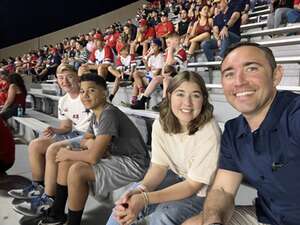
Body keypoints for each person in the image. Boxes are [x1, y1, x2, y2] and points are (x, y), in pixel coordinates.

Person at [183, 42, 300, 225]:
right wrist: (214, 221)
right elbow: (223, 190)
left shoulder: (294, 114)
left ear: (276, 75)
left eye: (252, 68)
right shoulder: (233, 129)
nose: (239, 81)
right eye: (229, 74)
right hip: (268, 216)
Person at [107, 71, 221, 225]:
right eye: (180, 94)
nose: (187, 103)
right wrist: (141, 190)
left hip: (204, 188)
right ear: (169, 95)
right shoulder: (161, 123)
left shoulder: (209, 131)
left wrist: (145, 199)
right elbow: (159, 167)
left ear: (203, 100)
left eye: (195, 95)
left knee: (162, 217)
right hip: (177, 175)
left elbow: (193, 185)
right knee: (125, 202)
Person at [37, 73, 150, 225]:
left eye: (91, 90)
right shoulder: (96, 113)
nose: (85, 95)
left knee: (77, 170)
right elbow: (85, 140)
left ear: (104, 92)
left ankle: (73, 222)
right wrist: (90, 144)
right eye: (82, 91)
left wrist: (69, 152)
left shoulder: (108, 113)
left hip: (134, 163)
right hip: (116, 157)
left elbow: (93, 157)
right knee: (66, 162)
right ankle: (57, 212)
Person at [9, 64, 92, 216]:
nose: (65, 81)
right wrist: (55, 130)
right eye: (61, 78)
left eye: (69, 77)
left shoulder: (86, 94)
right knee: (35, 145)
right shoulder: (63, 100)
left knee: (53, 150)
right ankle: (37, 188)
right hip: (74, 135)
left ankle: (49, 199)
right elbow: (67, 126)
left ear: (77, 77)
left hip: (88, 137)